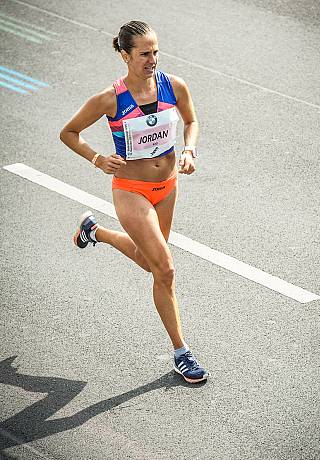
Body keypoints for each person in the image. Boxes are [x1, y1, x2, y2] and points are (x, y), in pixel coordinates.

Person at [60, 20, 209, 384]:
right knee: (166, 269)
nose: (152, 59)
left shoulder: (174, 86)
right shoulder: (109, 99)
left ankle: (95, 232)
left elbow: (191, 121)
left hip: (167, 187)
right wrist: (97, 159)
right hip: (131, 189)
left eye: (156, 51)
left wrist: (189, 150)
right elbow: (68, 132)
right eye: (144, 53)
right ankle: (182, 353)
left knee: (149, 262)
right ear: (125, 55)